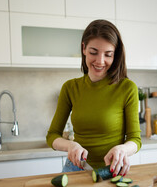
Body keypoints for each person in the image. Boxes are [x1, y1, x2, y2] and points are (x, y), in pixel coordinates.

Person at [46, 19, 142, 177]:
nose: (100, 61)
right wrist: (70, 146)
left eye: (108, 54)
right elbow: (52, 136)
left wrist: (122, 149)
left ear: (115, 55)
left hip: (112, 170)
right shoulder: (70, 88)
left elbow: (135, 139)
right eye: (93, 52)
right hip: (76, 169)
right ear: (84, 48)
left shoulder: (127, 88)